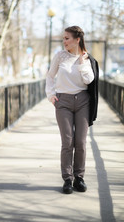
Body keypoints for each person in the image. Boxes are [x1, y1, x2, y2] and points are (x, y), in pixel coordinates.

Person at [45, 25, 99, 194]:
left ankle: (79, 178)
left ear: (77, 40)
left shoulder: (87, 58)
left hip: (83, 101)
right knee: (67, 142)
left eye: (67, 38)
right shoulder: (60, 56)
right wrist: (50, 95)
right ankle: (67, 179)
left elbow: (90, 79)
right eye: (63, 38)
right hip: (63, 102)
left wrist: (82, 63)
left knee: (81, 142)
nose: (64, 41)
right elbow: (49, 76)